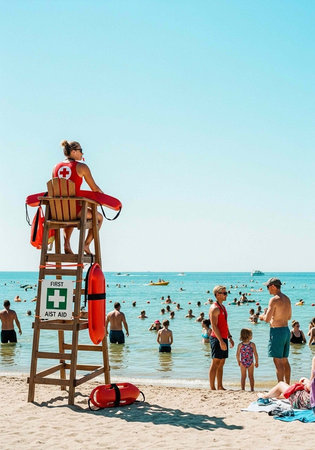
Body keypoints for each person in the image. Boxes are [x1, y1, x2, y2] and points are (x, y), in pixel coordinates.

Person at [53, 140, 104, 255]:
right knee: (99, 218)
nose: (82, 154)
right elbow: (94, 188)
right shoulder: (82, 167)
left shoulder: (55, 167)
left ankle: (66, 244)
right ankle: (86, 245)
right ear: (73, 151)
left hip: (58, 212)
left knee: (68, 213)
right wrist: (104, 198)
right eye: (81, 151)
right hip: (75, 212)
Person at [259, 277, 292, 384]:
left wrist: (262, 316)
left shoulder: (274, 299)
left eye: (268, 287)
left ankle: (281, 387)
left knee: (277, 361)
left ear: (273, 286)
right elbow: (289, 317)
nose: (267, 289)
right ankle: (287, 386)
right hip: (286, 330)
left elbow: (267, 319)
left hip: (277, 331)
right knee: (285, 360)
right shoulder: (287, 298)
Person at [209, 285, 234, 390]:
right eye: (224, 293)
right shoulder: (214, 308)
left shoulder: (223, 307)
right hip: (216, 338)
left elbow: (225, 323)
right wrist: (220, 341)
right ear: (217, 294)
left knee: (222, 362)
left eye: (226, 293)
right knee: (215, 362)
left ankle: (220, 385)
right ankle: (212, 387)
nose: (226, 295)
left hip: (223, 337)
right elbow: (214, 326)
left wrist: (229, 336)